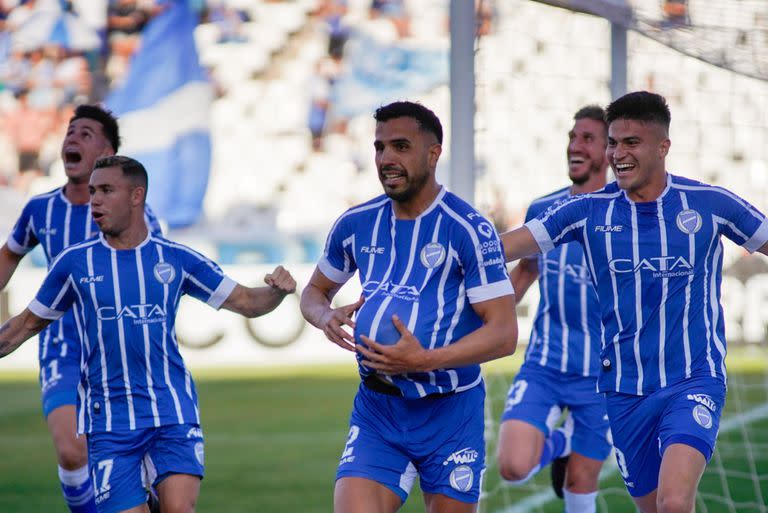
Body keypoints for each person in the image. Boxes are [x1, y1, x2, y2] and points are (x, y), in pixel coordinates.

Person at [499, 91, 768, 513]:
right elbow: (506, 248)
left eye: (631, 143)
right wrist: (446, 250)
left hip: (692, 379)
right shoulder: (585, 211)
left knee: (675, 502)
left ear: (663, 147)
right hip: (623, 391)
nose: (618, 153)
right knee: (652, 507)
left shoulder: (710, 204)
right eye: (613, 142)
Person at [0, 155, 297, 513]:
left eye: (107, 190)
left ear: (136, 195)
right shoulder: (74, 264)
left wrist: (277, 292)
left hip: (171, 411)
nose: (94, 200)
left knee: (178, 509)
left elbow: (248, 302)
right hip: (109, 421)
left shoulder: (176, 259)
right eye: (93, 191)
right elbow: (22, 327)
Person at [300, 101, 518, 513]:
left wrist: (424, 359)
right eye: (380, 147)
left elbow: (504, 334)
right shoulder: (355, 223)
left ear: (433, 154)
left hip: (450, 412)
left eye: (400, 146)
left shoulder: (468, 229)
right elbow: (313, 292)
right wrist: (325, 315)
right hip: (378, 409)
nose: (386, 159)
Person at [0, 104, 162, 513]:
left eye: (86, 134)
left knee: (147, 476)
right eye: (70, 132)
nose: (72, 138)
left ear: (107, 153)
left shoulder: (133, 212)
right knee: (73, 452)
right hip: (61, 346)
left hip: (120, 351)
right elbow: (8, 258)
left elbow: (158, 269)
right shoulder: (41, 209)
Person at [496, 105, 612, 513]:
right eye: (572, 137)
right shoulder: (542, 209)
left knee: (579, 486)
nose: (575, 146)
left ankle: (576, 437)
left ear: (610, 152)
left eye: (587, 139)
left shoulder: (628, 214)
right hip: (545, 365)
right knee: (513, 467)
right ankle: (565, 438)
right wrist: (484, 321)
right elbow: (525, 272)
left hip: (604, 377)